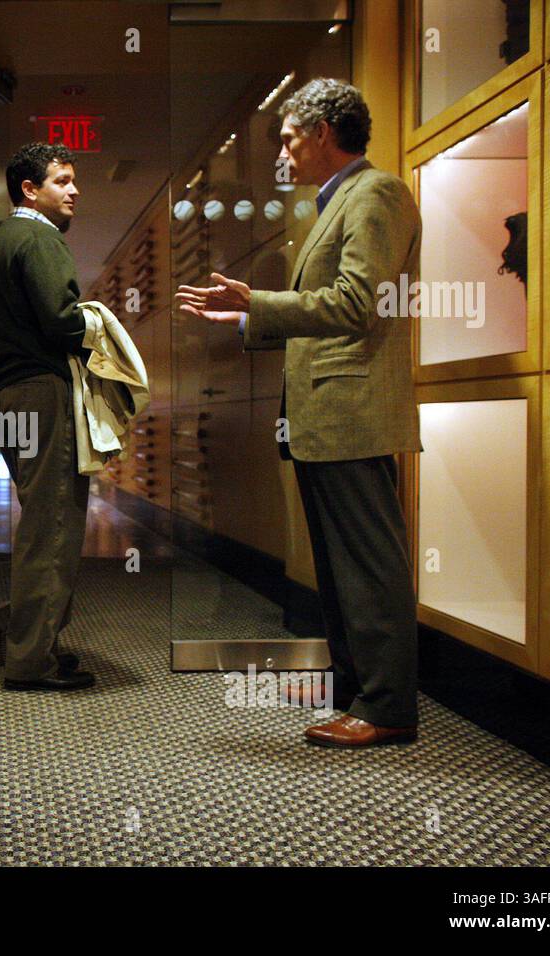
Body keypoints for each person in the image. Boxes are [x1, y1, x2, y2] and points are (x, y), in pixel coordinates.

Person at [176, 79, 422, 747]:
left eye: (288, 137)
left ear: (322, 133)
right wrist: (248, 311)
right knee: (342, 571)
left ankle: (388, 707)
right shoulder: (336, 201)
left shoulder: (377, 194)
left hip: (354, 410)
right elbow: (326, 307)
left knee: (368, 567)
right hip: (328, 415)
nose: (283, 151)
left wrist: (259, 301)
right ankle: (358, 694)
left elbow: (353, 304)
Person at [0, 142, 94, 692]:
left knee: (37, 519)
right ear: (30, 189)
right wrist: (95, 327)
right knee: (52, 527)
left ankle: (39, 646)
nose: (74, 191)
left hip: (5, 395)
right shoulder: (41, 238)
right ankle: (31, 663)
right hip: (43, 392)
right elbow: (61, 320)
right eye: (62, 181)